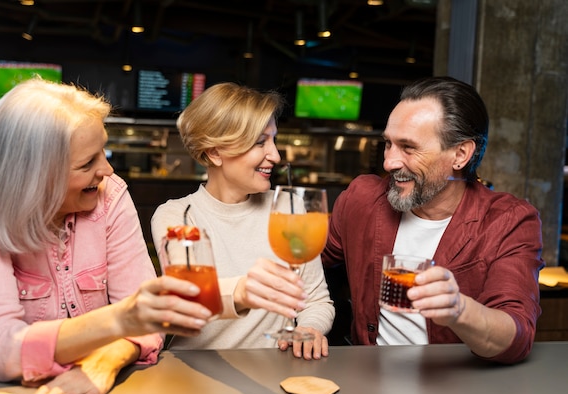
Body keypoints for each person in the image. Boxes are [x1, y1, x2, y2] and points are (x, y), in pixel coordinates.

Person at [0, 78, 223, 394]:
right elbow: (1, 350)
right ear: (33, 176)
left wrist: (104, 361)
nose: (107, 170)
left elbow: (148, 326)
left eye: (102, 153)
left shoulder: (110, 195)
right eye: (87, 163)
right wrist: (121, 320)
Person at [322, 76, 543, 364]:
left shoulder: (508, 221)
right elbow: (303, 260)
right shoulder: (362, 199)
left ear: (460, 154)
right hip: (367, 386)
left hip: (456, 393)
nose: (389, 162)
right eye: (388, 144)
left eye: (408, 147)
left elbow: (516, 338)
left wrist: (459, 310)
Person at [151, 82, 334, 360]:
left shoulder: (289, 206)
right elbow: (191, 298)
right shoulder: (178, 216)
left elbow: (316, 300)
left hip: (272, 372)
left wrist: (308, 328)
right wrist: (242, 291)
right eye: (260, 142)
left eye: (273, 140)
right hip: (193, 375)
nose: (275, 155)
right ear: (215, 152)